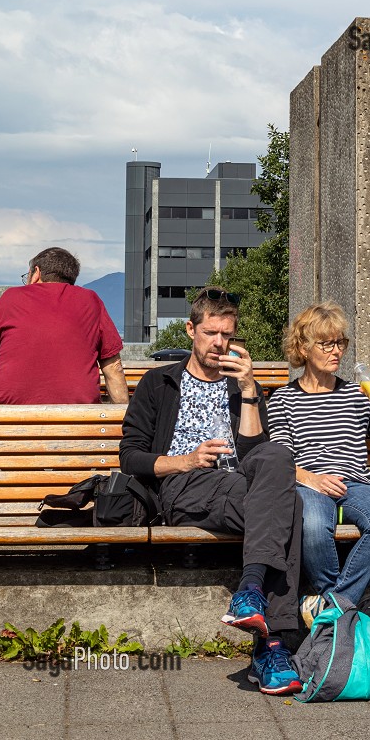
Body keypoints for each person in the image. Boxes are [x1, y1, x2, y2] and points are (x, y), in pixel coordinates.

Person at [120, 287, 303, 696]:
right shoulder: (160, 383)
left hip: (240, 486)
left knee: (276, 460)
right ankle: (273, 644)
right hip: (183, 485)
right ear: (190, 330)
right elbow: (130, 457)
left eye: (227, 334)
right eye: (210, 332)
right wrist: (186, 459)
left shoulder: (241, 386)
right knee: (288, 508)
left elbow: (257, 454)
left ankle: (251, 591)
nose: (219, 343)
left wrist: (252, 392)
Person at [268, 303, 370, 619]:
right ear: (303, 348)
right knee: (313, 524)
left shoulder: (357, 395)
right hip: (309, 484)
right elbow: (280, 460)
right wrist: (312, 479)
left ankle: (331, 606)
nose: (337, 351)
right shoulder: (283, 399)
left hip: (355, 483)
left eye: (340, 343)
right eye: (326, 344)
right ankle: (341, 612)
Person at [0, 247, 128, 405]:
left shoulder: (10, 298)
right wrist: (123, 421)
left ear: (36, 273)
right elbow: (114, 368)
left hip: (10, 419)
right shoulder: (91, 300)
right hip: (79, 420)